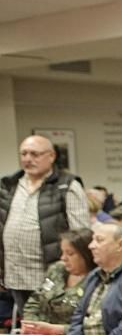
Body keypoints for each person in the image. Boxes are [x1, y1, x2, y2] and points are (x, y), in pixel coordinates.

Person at [0, 135, 89, 318]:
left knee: (52, 328)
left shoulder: (67, 185)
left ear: (51, 156)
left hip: (51, 275)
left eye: (35, 154)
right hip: (15, 274)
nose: (28, 159)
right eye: (24, 154)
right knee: (30, 325)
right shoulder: (9, 184)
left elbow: (81, 233)